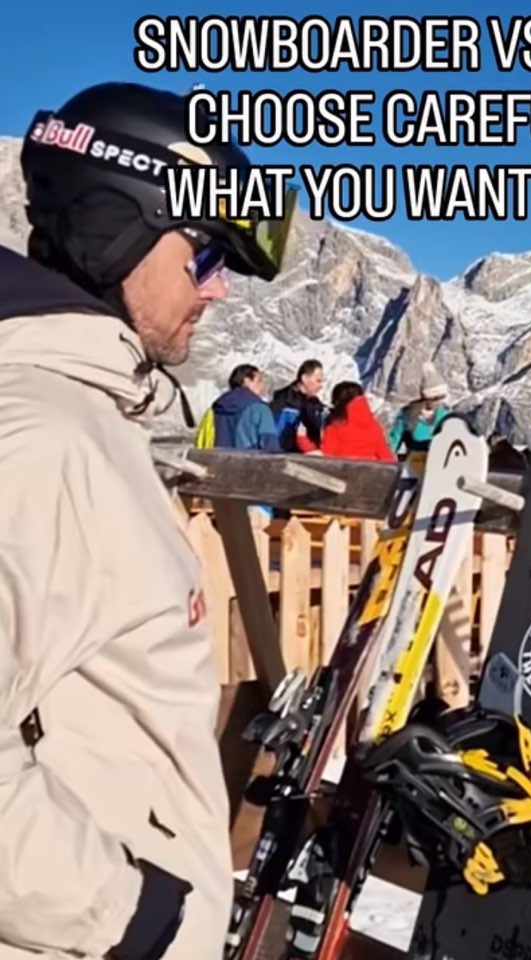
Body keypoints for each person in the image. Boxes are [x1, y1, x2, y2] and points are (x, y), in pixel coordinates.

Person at [0, 80, 296, 960]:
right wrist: (127, 916)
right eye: (205, 257)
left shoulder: (89, 421)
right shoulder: (42, 439)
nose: (218, 292)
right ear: (117, 227)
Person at [209, 363, 280, 452]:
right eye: (259, 381)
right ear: (247, 381)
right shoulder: (260, 408)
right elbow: (270, 443)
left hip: (216, 458)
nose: (262, 386)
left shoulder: (217, 406)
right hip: (249, 459)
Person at [321, 382, 396, 462]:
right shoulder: (373, 426)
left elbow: (326, 458)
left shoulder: (333, 428)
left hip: (341, 469)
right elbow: (386, 458)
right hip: (370, 468)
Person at [388, 362, 452, 456]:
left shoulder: (446, 415)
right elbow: (394, 442)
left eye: (442, 397)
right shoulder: (408, 415)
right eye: (435, 398)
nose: (439, 402)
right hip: (415, 461)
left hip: (440, 461)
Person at [271, 359, 327, 453]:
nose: (321, 385)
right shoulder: (283, 404)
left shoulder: (315, 404)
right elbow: (276, 436)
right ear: (304, 378)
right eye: (318, 381)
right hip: (287, 457)